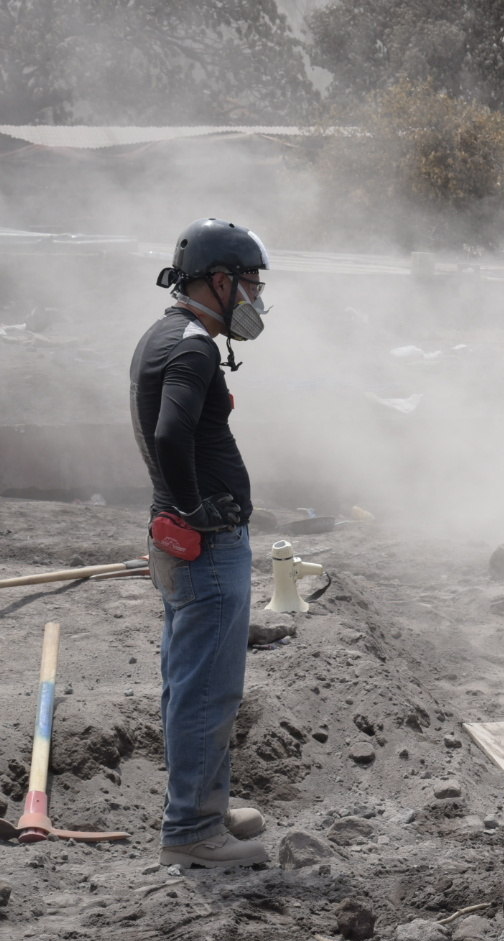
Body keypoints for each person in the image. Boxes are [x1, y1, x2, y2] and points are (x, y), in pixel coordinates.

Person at [130, 218, 273, 869]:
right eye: (249, 284)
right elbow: (168, 435)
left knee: (192, 681)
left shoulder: (163, 335)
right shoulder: (192, 348)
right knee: (208, 690)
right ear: (219, 281)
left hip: (185, 542)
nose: (255, 299)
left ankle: (205, 808)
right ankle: (191, 832)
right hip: (206, 548)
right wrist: (195, 506)